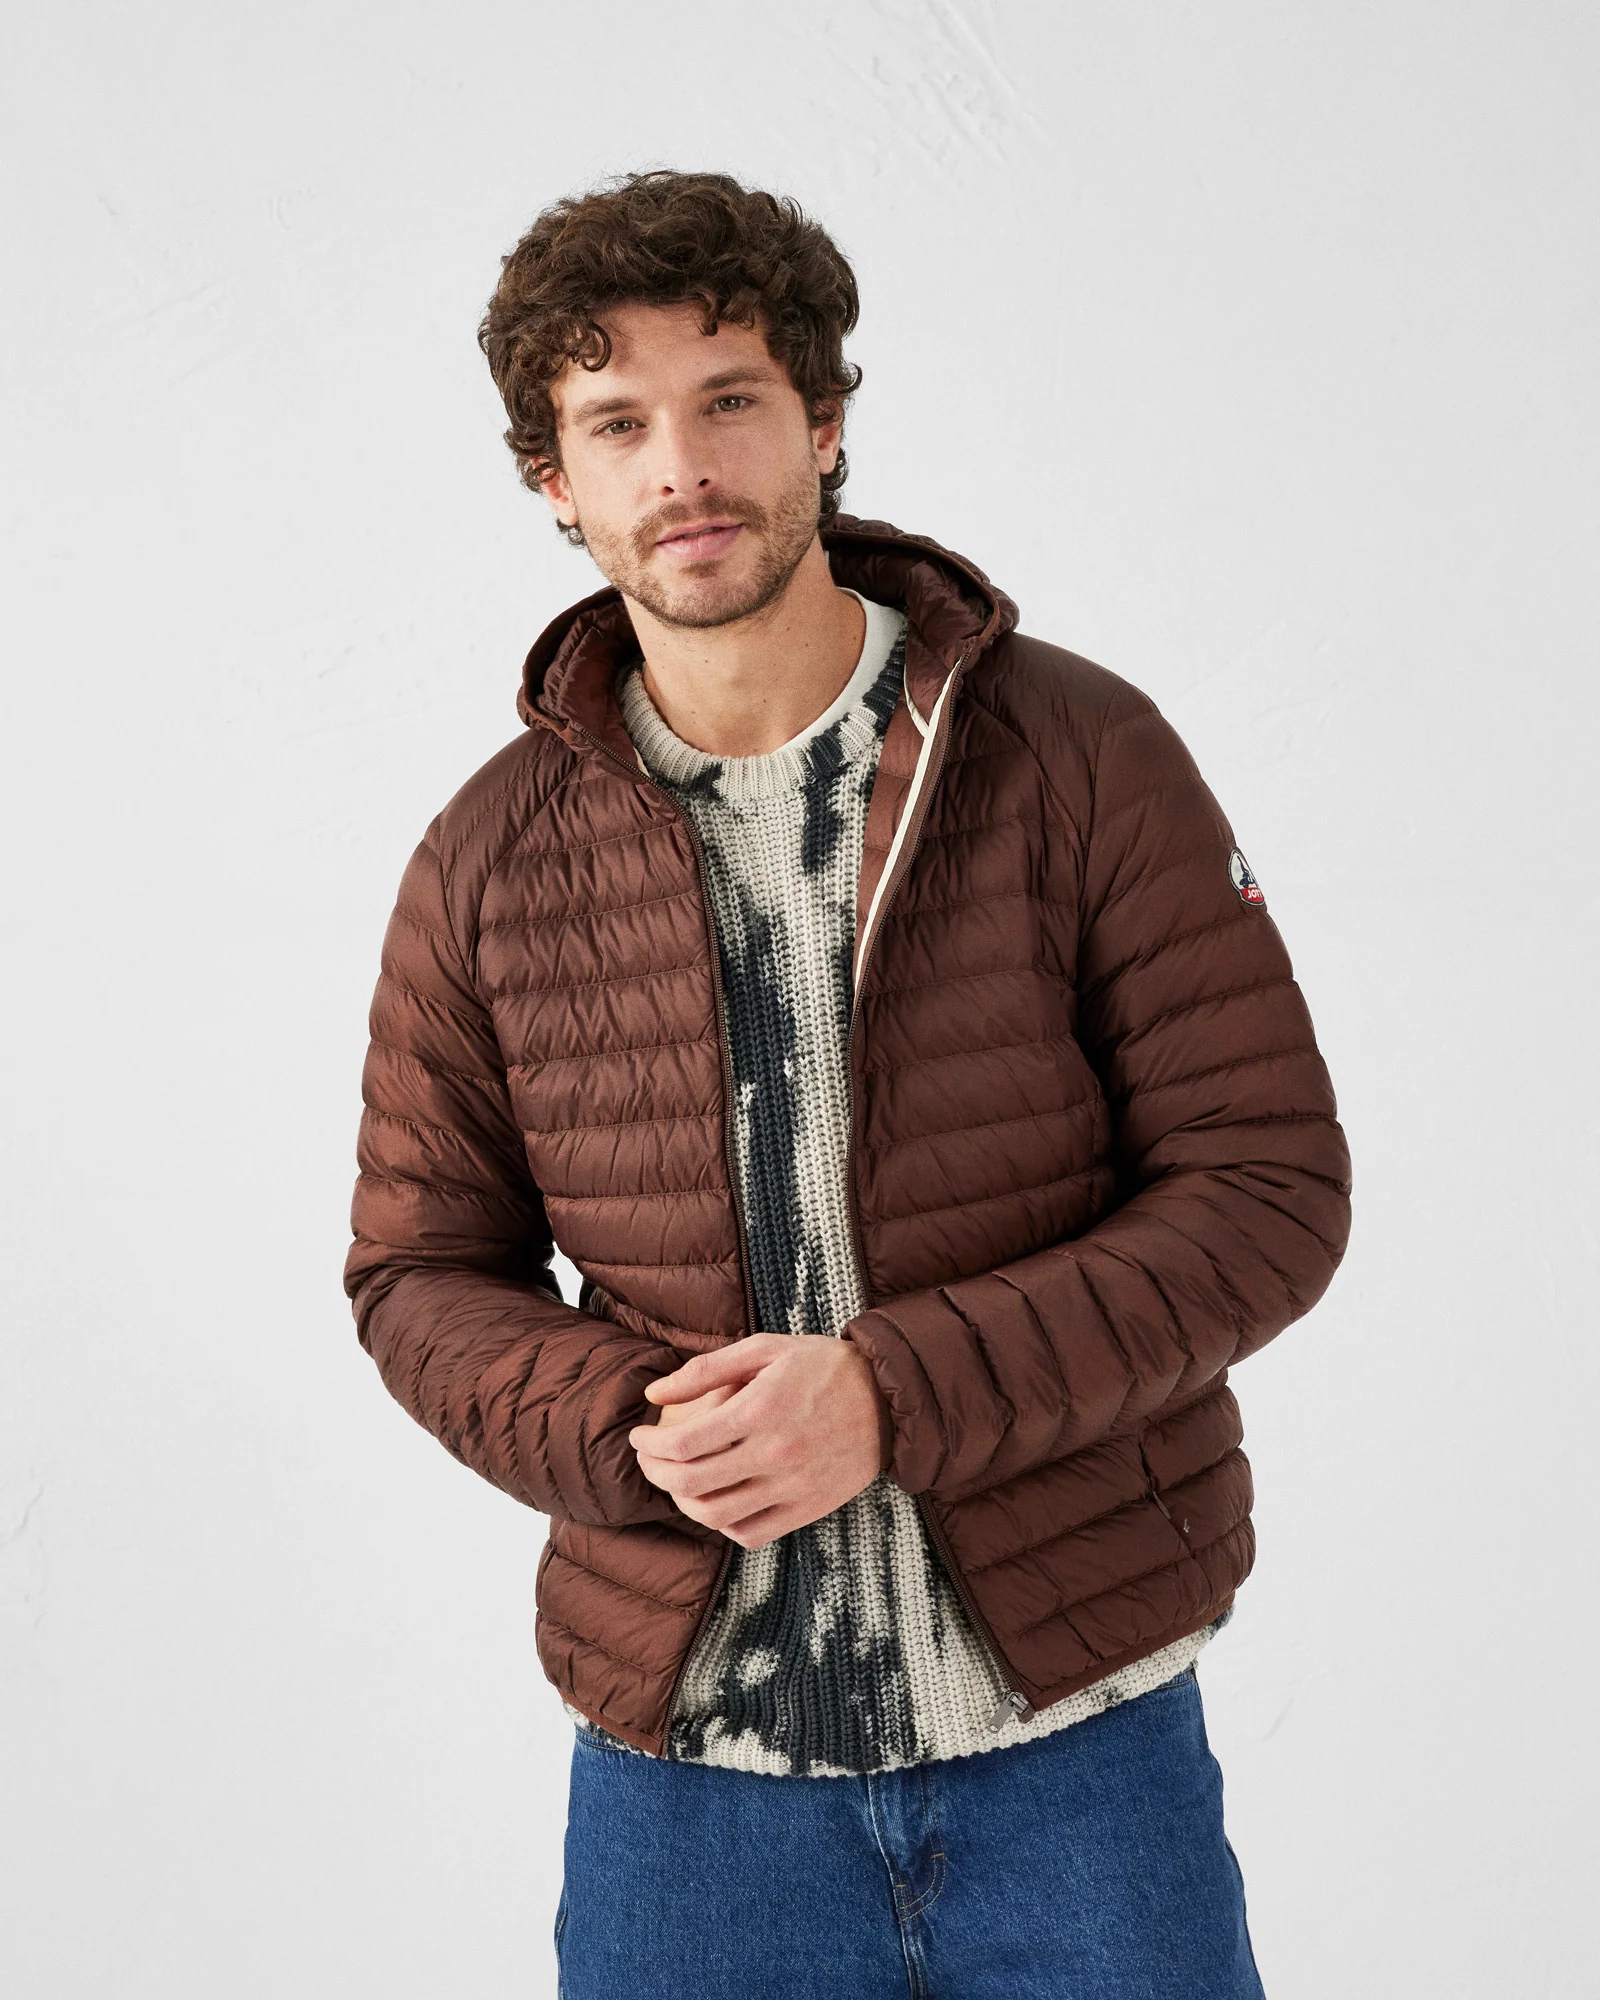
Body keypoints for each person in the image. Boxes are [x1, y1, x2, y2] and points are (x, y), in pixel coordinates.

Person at [343, 168, 1352, 1999]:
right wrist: (630, 1422)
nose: (682, 468)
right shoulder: (487, 859)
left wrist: (891, 1396)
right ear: (553, 479)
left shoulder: (1076, 754)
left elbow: (1264, 1192)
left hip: (1080, 1738)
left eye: (729, 398)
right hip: (686, 1782)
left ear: (820, 421)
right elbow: (417, 1278)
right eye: (616, 423)